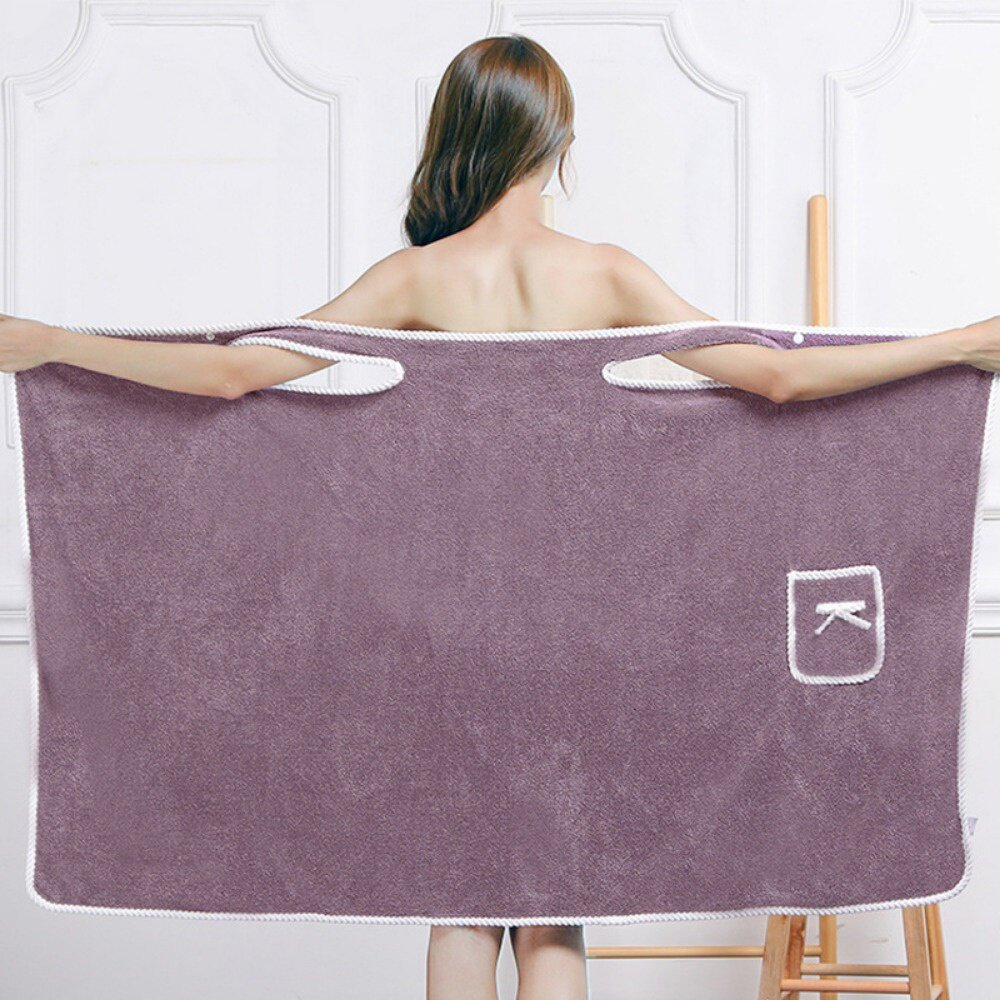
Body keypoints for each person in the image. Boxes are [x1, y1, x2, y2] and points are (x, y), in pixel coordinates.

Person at [0, 32, 998, 1000]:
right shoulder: (605, 272)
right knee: (557, 910)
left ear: (456, 136)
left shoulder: (414, 278)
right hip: (585, 637)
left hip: (443, 638)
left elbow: (231, 374)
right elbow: (776, 379)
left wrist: (55, 344)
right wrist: (954, 346)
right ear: (554, 139)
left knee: (461, 905)